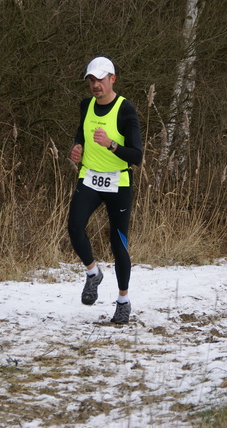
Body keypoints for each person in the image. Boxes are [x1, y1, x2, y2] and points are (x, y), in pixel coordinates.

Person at [67, 56, 143, 324]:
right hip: (89, 177)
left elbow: (136, 156)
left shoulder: (126, 110)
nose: (95, 85)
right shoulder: (85, 105)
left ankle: (123, 301)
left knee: (117, 243)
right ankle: (92, 274)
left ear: (113, 79)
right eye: (91, 80)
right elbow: (81, 132)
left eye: (100, 79)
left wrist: (111, 145)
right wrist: (77, 147)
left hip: (118, 182)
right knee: (74, 227)